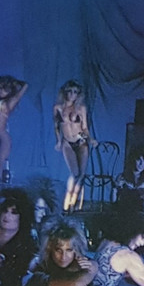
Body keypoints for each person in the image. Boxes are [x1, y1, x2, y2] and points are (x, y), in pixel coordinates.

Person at [53, 80, 97, 212]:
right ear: (65, 92)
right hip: (67, 142)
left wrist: (90, 139)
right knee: (74, 173)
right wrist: (58, 141)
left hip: (81, 141)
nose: (73, 95)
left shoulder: (80, 108)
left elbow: (84, 127)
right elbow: (56, 126)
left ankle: (73, 203)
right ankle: (66, 203)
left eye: (75, 92)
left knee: (81, 175)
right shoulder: (58, 108)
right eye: (70, 91)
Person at [0, 75, 28, 181]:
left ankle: (2, 182)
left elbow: (25, 86)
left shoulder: (10, 101)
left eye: (3, 88)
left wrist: (14, 82)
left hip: (2, 135)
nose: (0, 91)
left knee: (0, 163)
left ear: (9, 89)